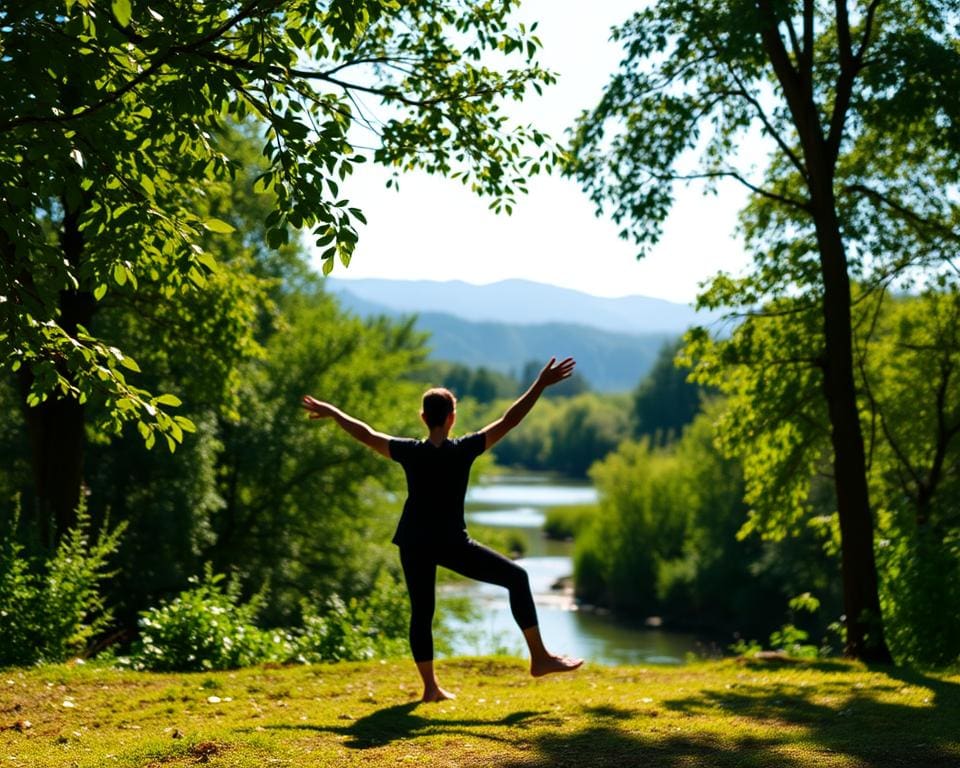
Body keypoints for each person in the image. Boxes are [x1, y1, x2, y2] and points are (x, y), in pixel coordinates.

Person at [302, 357, 584, 702]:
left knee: (422, 612)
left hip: (415, 541)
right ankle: (539, 657)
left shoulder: (410, 452)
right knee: (517, 578)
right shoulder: (464, 450)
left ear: (423, 418)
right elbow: (509, 421)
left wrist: (333, 412)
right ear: (452, 418)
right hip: (452, 544)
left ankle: (430, 688)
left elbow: (367, 434)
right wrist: (539, 384)